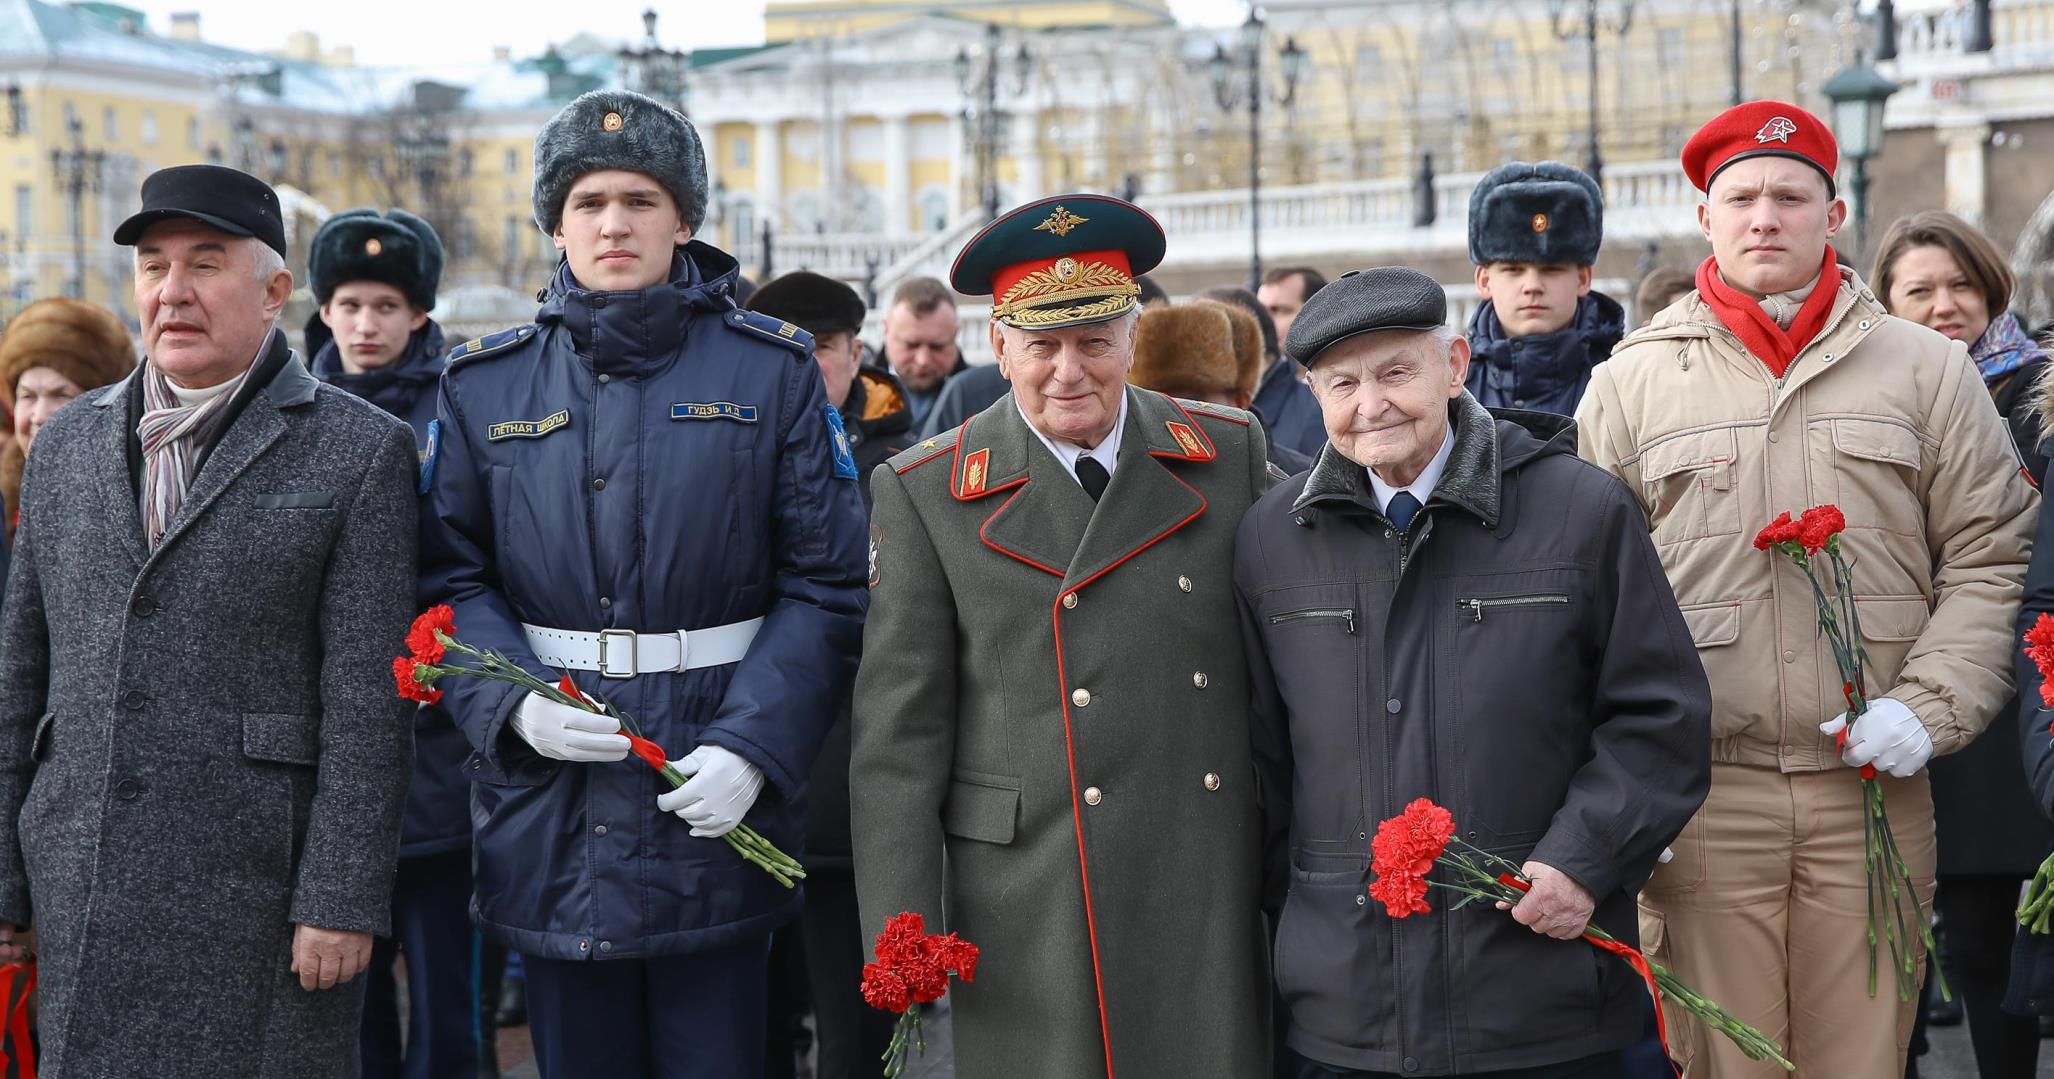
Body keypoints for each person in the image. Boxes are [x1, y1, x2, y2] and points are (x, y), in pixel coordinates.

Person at [1576, 101, 2038, 1077]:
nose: (1762, 217)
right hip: (1702, 798)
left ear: (1832, 217)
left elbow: (1991, 549)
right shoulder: (1627, 385)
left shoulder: (1926, 371)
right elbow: (1586, 597)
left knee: (1861, 1059)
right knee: (1727, 1062)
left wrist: (1929, 704)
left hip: (1871, 790)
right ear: (1703, 215)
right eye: (1738, 197)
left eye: (1789, 196)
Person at [416, 89, 869, 1079]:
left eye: (639, 198)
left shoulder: (773, 373)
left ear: (685, 220)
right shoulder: (484, 383)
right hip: (551, 799)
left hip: (707, 785)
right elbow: (447, 579)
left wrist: (752, 746)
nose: (613, 222)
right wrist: (510, 704)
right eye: (587, 201)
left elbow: (827, 586)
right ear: (556, 222)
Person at [1236, 266, 1710, 1078]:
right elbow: (1262, 765)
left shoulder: (1581, 509)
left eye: (1395, 372)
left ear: (1455, 364)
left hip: (1536, 982)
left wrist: (1583, 860)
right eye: (1341, 383)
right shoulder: (1271, 539)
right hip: (1345, 1006)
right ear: (1310, 392)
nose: (1370, 404)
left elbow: (1658, 715)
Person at [0, 163, 419, 1077]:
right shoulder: (68, 442)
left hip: (261, 899)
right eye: (154, 266)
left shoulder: (361, 451)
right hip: (82, 881)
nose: (173, 291)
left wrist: (342, 896)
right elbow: (20, 674)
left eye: (206, 262)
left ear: (274, 290)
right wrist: (5, 883)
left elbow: (366, 701)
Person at [852, 193, 1276, 1078]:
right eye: (1041, 345)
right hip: (1027, 893)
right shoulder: (928, 491)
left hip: (1201, 871)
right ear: (1000, 347)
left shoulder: (1227, 451)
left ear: (1132, 336)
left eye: (1094, 341)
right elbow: (900, 738)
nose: (1068, 371)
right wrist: (904, 933)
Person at [1870, 209, 2050, 1079]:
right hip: (1920, 682)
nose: (1944, 305)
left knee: (2017, 941)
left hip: (2031, 678)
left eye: (1961, 286)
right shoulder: (1874, 401)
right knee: (1964, 935)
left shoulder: (2041, 393)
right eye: (1919, 290)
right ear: (1886, 303)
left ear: (1991, 290)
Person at [303, 207, 479, 1079]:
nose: (366, 325)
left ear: (418, 314)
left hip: (436, 743)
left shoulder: (461, 406)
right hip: (323, 753)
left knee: (450, 994)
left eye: (385, 305)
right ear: (323, 310)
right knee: (342, 996)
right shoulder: (286, 410)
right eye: (348, 303)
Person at [743, 269, 906, 1079]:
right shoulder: (719, 451)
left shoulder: (904, 466)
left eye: (828, 350)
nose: (809, 369)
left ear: (858, 353)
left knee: (856, 1030)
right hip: (742, 777)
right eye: (790, 350)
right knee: (754, 1025)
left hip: (853, 786)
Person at [1464, 161, 1625, 417]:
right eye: (1513, 270)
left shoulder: (1627, 376)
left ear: (1583, 279)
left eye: (1552, 270)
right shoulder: (1450, 384)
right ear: (1484, 281)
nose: (1532, 286)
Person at [1, 298, 136, 542]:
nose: (39, 415)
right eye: (28, 396)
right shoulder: (5, 501)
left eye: (60, 394)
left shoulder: (132, 499)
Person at [1130, 300, 1310, 474]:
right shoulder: (1126, 477)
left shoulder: (1298, 481)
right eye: (1158, 401)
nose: (1174, 415)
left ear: (1240, 401)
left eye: (1193, 402)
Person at [1251, 268, 1329, 458]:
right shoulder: (1255, 390)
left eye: (1278, 310)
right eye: (1261, 311)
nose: (1264, 323)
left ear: (1317, 313)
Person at [878, 276, 966, 428]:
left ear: (955, 333)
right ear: (886, 329)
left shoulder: (981, 396)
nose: (923, 360)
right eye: (911, 345)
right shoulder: (851, 394)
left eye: (937, 347)